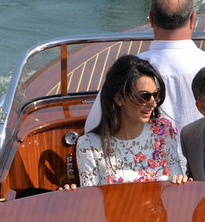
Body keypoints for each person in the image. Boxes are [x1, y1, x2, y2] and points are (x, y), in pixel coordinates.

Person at [84, 0, 205, 170]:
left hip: (146, 185)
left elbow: (94, 131)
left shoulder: (127, 73)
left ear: (151, 19)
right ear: (193, 19)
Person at [76, 55, 189, 186]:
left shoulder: (163, 130)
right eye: (144, 96)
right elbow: (91, 201)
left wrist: (181, 181)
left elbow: (176, 183)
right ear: (119, 99)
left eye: (156, 94)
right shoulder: (89, 145)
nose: (153, 103)